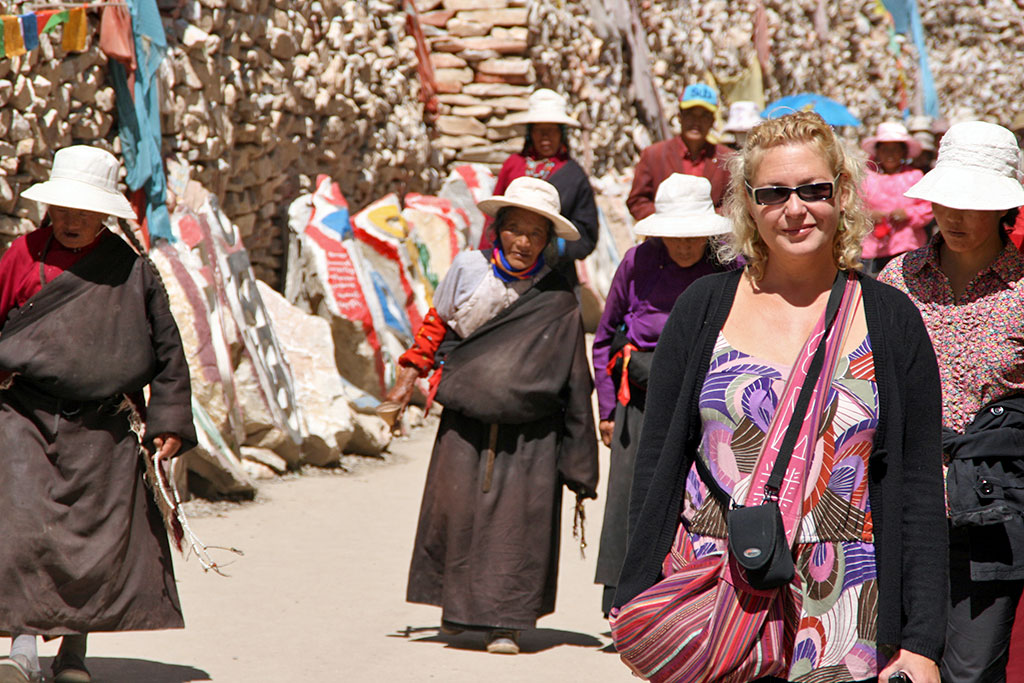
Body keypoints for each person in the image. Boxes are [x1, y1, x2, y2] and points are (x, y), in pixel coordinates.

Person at [613, 112, 946, 682]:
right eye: (773, 193)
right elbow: (658, 464)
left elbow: (915, 486)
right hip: (713, 585)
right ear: (748, 203)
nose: (795, 209)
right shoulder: (701, 309)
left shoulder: (891, 321)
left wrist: (920, 641)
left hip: (843, 601)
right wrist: (641, 590)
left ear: (842, 194)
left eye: (814, 189)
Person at [0, 146, 196, 683]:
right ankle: (21, 649)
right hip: (23, 417)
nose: (71, 221)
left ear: (106, 214)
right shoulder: (21, 255)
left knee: (91, 544)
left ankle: (72, 653)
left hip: (104, 427)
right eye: (63, 210)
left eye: (84, 212)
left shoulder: (132, 270)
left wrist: (170, 422)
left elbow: (168, 352)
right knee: (22, 532)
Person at [399, 176, 599, 655]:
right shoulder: (470, 272)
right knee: (457, 515)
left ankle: (506, 622)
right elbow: (438, 323)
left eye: (536, 234)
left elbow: (575, 380)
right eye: (515, 230)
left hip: (532, 439)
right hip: (465, 422)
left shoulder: (558, 301)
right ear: (499, 231)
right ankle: (458, 610)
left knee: (516, 527)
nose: (524, 243)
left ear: (549, 242)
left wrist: (580, 462)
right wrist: (412, 370)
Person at [878, 120, 1024, 683]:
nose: (957, 216)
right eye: (948, 201)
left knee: (971, 670)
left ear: (1002, 208)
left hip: (992, 512)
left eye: (974, 203)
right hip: (900, 506)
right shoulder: (898, 280)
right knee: (898, 667)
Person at [591, 173, 731, 617]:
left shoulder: (729, 266)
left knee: (695, 498)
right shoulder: (636, 263)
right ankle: (624, 601)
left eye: (693, 237)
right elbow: (603, 336)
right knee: (629, 499)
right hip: (640, 402)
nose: (685, 247)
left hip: (703, 402)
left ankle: (683, 600)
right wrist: (608, 408)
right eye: (676, 237)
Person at [480, 88, 598, 288]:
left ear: (561, 133)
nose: (545, 137)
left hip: (554, 277)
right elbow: (494, 219)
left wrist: (553, 245)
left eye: (552, 130)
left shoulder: (574, 175)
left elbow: (587, 233)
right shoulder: (513, 165)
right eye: (539, 130)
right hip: (505, 270)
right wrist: (486, 256)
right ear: (530, 132)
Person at [627, 83, 732, 220]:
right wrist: (670, 217)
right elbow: (637, 202)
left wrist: (707, 217)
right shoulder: (654, 155)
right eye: (690, 115)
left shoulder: (727, 159)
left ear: (712, 120)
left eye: (704, 116)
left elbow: (736, 205)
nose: (696, 122)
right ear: (679, 116)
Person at [859, 121, 934, 276]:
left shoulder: (914, 177)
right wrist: (868, 216)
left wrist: (908, 214)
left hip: (906, 247)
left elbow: (928, 207)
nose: (890, 154)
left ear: (903, 152)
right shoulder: (866, 177)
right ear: (878, 152)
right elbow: (853, 205)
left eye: (895, 150)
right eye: (885, 150)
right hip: (872, 248)